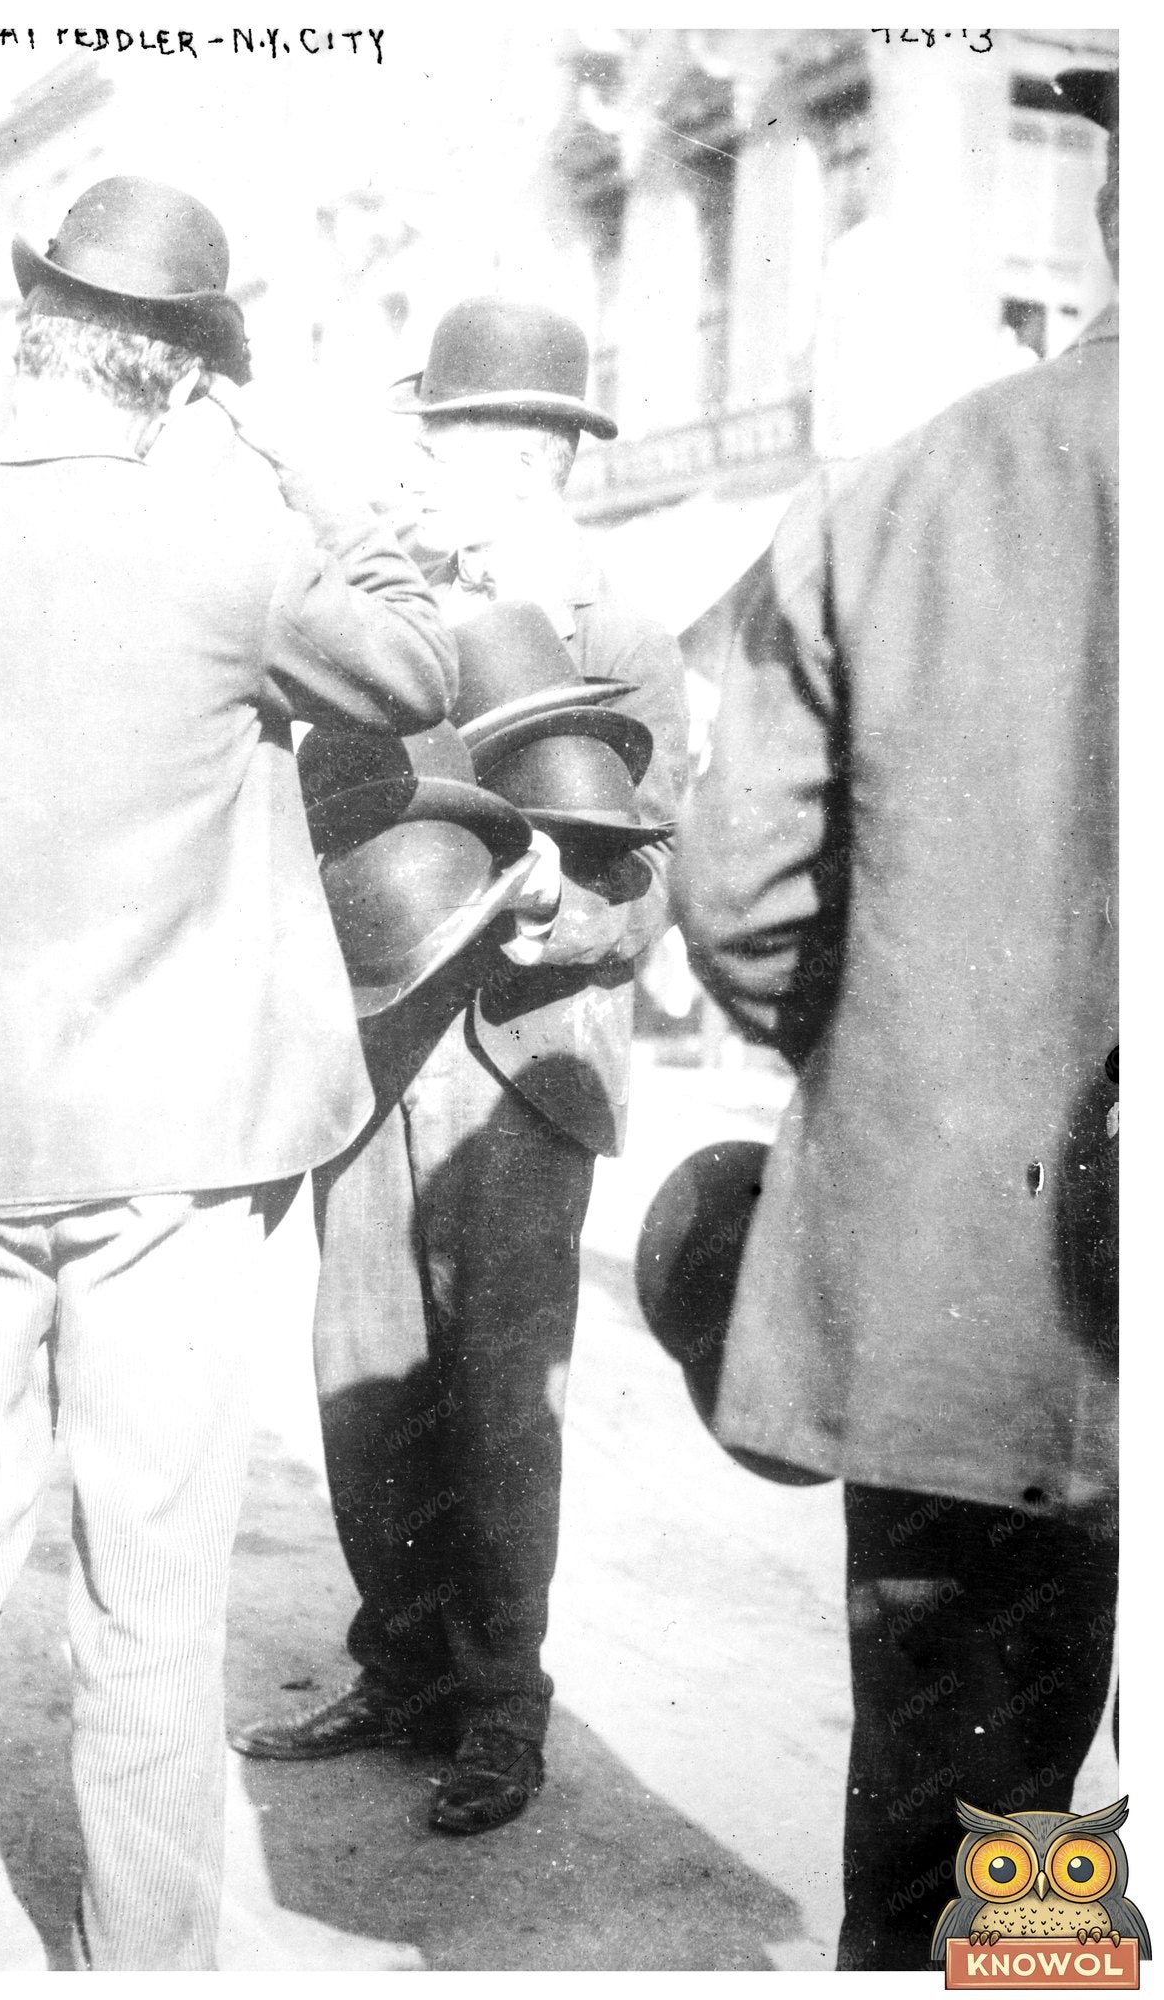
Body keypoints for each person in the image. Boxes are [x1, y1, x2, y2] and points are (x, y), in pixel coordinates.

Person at [0, 176, 455, 1971]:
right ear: (189, 372)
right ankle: (147, 1961)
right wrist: (306, 470)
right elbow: (422, 668)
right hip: (181, 1157)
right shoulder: (237, 550)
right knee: (154, 1593)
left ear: (25, 325)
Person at [670, 67, 1118, 1971]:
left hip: (976, 1298)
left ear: (1107, 215)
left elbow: (745, 895)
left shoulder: (908, 492)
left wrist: (913, 1074)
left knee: (978, 1828)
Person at [233, 297, 689, 1835]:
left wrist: (568, 908)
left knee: (501, 1403)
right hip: (372, 1056)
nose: (466, 473)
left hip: (522, 1065)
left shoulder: (623, 640)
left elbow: (654, 889)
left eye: (505, 444)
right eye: (449, 441)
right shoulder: (374, 629)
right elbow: (315, 822)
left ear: (562, 459)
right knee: (361, 1386)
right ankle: (401, 1666)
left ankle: (502, 1705)